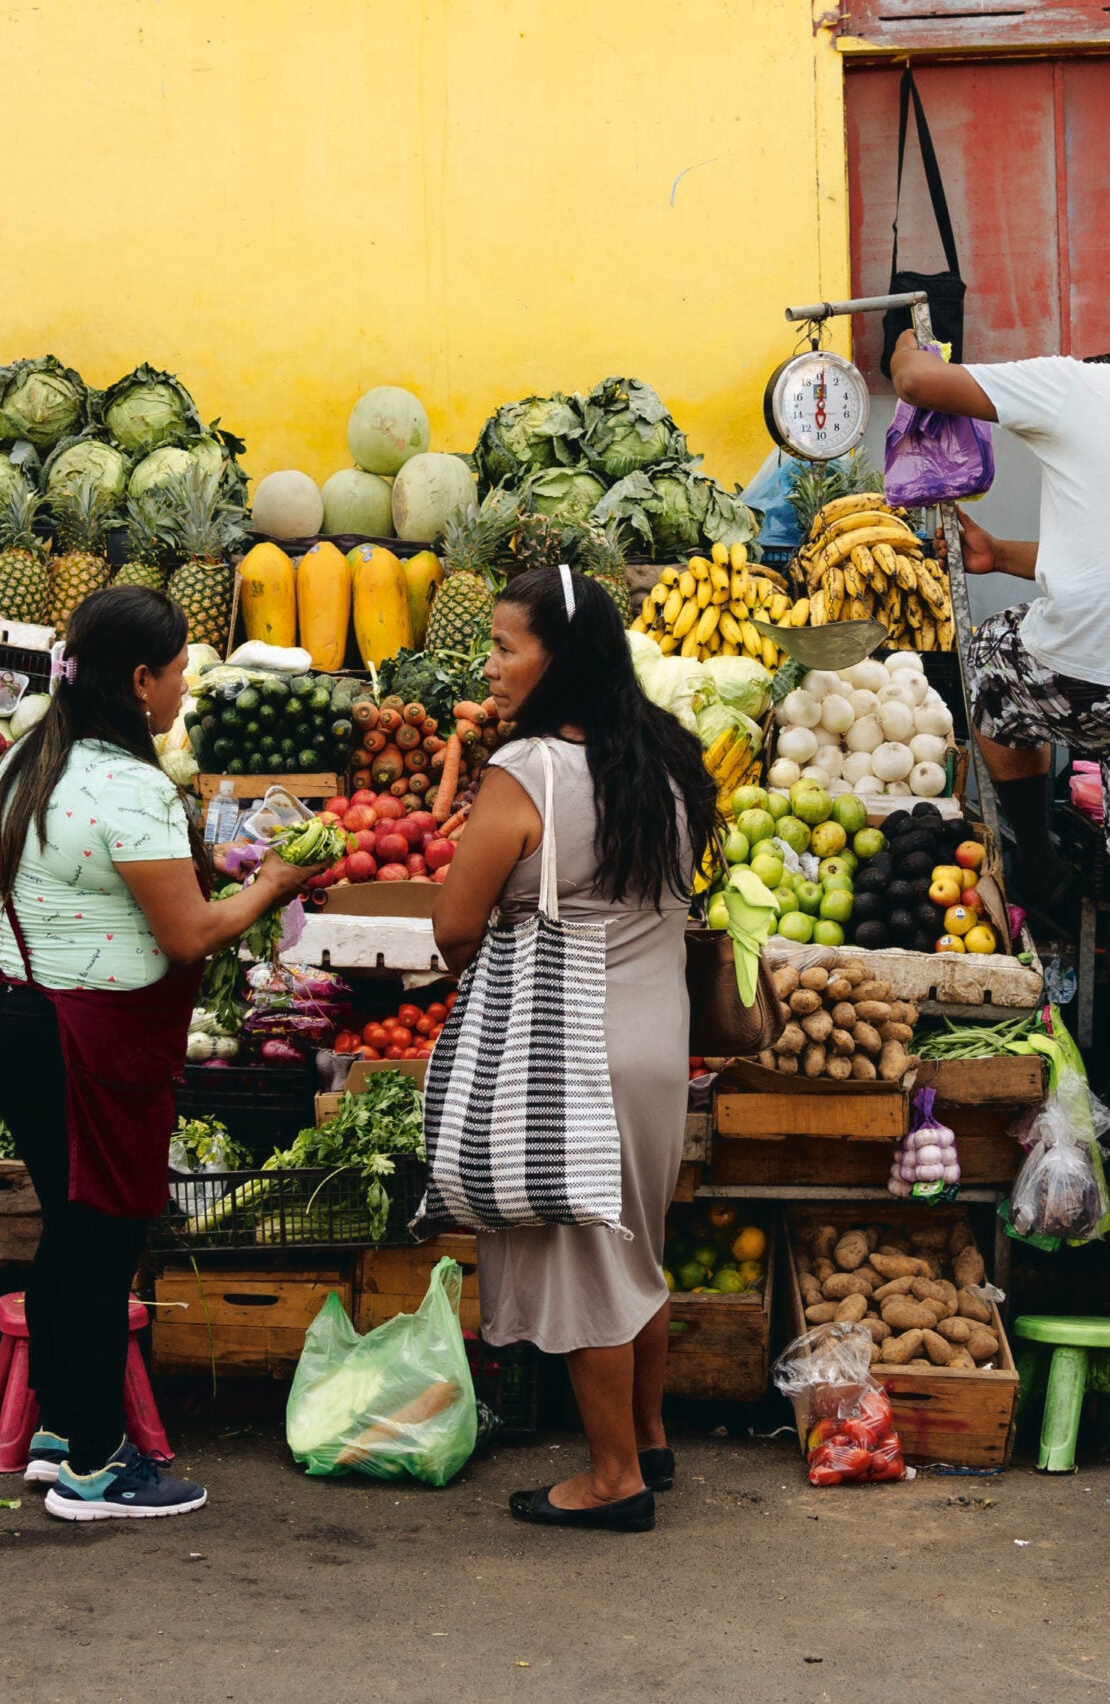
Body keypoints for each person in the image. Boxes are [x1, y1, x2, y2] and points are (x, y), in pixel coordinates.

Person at [0, 586, 327, 1523]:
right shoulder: (129, 785)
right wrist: (279, 883)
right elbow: (188, 934)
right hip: (91, 1043)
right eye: (177, 673)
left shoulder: (24, 759)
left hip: (19, 1020)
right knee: (102, 1245)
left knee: (69, 1230)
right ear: (138, 680)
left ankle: (60, 1429)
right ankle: (96, 1464)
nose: (182, 690)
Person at [888, 334, 1110, 1140]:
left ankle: (1039, 863)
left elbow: (920, 380)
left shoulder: (1073, 388)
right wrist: (1001, 554)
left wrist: (908, 340)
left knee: (985, 657)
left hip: (1101, 666)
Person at [431, 564, 717, 1533]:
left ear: (560, 657)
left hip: (568, 1046)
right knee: (639, 1244)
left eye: (508, 647)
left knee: (590, 1259)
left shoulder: (530, 772)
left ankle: (610, 1478)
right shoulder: (671, 758)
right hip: (655, 1039)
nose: (494, 664)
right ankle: (647, 1434)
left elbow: (454, 924)